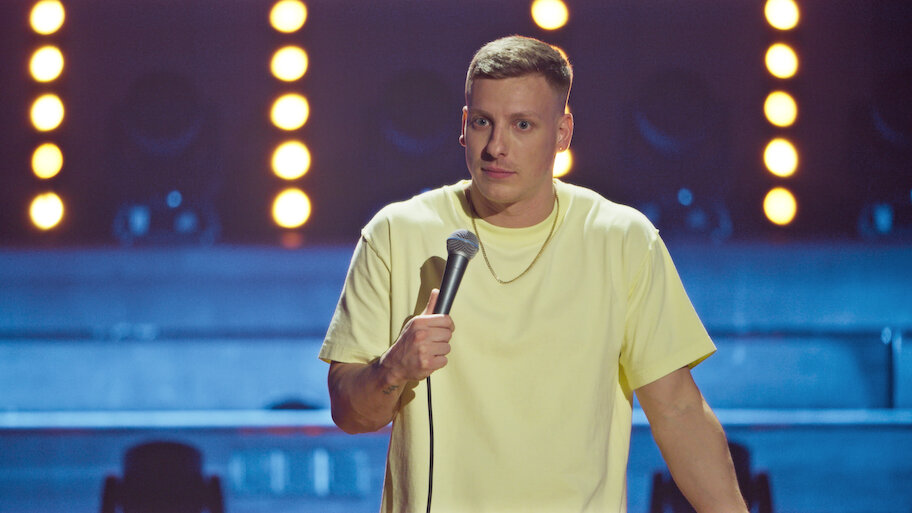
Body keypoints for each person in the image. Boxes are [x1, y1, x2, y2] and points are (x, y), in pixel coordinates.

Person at [320, 35, 747, 513]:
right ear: (464, 126)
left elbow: (678, 409)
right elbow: (349, 413)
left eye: (522, 125)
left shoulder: (621, 239)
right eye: (483, 122)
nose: (496, 147)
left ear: (562, 133)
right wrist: (394, 368)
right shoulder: (396, 233)